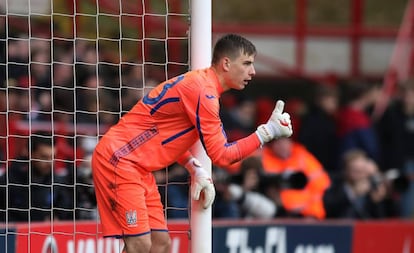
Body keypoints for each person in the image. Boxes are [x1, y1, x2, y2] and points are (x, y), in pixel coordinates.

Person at [91, 34, 293, 253]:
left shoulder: (201, 86)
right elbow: (222, 156)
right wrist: (266, 133)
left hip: (138, 166)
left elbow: (163, 135)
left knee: (161, 244)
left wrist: (193, 166)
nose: (252, 71)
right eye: (247, 63)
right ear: (226, 63)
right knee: (140, 244)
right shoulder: (203, 93)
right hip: (120, 160)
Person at [0, 134, 73, 222]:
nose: (50, 163)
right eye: (44, 157)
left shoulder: (58, 182)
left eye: (53, 157)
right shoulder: (9, 180)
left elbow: (64, 213)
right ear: (30, 154)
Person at [260, 137, 331, 219]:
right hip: (275, 214)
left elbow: (320, 187)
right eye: (278, 143)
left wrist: (313, 214)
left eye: (285, 142)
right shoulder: (262, 159)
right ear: (272, 145)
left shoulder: (303, 157)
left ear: (291, 142)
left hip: (306, 216)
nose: (282, 146)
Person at [323, 149, 396, 219]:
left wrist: (377, 201)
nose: (360, 175)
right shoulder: (335, 184)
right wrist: (353, 192)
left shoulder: (373, 187)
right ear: (345, 171)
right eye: (356, 171)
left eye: (363, 170)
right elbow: (329, 208)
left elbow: (387, 217)